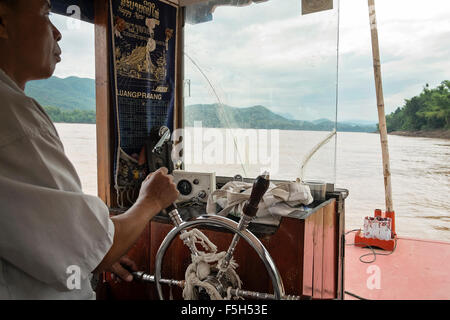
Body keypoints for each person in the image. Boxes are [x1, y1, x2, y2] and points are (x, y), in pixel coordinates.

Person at [0, 0, 179, 299]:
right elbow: (99, 252)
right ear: (2, 22)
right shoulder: (14, 118)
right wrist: (151, 200)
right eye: (45, 13)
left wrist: (88, 253)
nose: (57, 32)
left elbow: (34, 235)